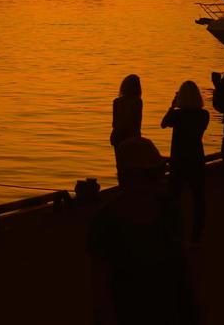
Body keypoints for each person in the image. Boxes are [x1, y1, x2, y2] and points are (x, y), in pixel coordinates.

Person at [87, 136, 197, 325]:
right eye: (152, 174)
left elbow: (182, 266)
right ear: (127, 177)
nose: (160, 179)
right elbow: (101, 283)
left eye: (159, 172)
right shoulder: (107, 220)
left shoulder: (168, 209)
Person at [160, 80, 209, 244]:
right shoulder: (204, 115)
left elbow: (163, 124)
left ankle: (172, 233)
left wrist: (172, 106)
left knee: (173, 199)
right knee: (198, 199)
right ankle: (196, 236)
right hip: (196, 159)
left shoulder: (177, 115)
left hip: (178, 160)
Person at [112, 75, 143, 150]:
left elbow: (114, 123)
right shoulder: (138, 102)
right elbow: (137, 122)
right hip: (133, 137)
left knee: (121, 161)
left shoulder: (117, 102)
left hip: (118, 137)